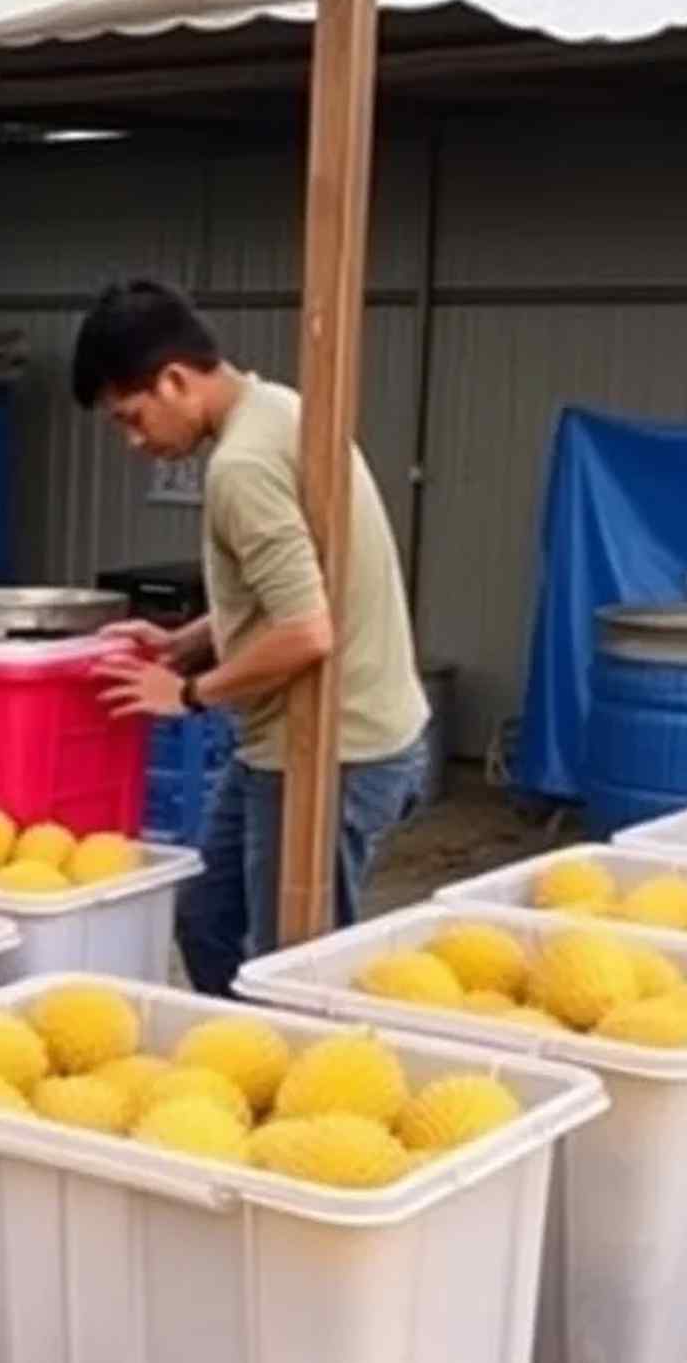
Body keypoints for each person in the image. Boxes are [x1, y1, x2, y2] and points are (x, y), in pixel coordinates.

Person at [72, 280, 428, 997]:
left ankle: (302, 1082)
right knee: (204, 918)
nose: (137, 443)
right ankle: (241, 1058)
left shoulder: (241, 468)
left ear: (175, 380)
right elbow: (292, 591)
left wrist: (190, 692)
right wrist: (190, 641)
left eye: (132, 418)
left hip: (335, 749)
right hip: (290, 740)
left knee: (293, 969)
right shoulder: (281, 410)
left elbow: (305, 630)